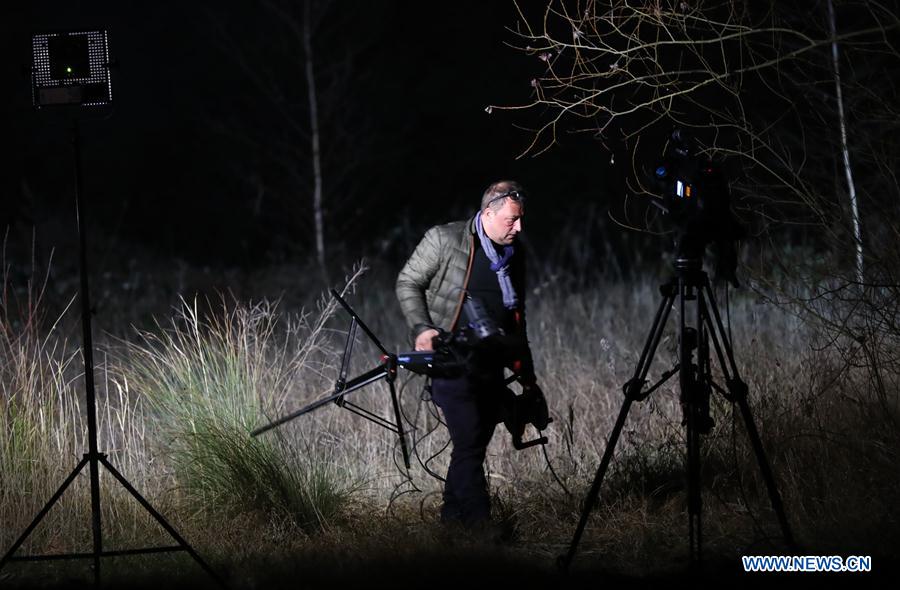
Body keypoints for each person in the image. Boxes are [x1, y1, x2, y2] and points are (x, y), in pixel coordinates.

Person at [395, 180, 543, 528]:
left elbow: (517, 317)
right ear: (488, 213)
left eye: (521, 219)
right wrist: (423, 329)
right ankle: (481, 528)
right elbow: (408, 282)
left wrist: (528, 377)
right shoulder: (444, 240)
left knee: (472, 446)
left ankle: (452, 521)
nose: (519, 227)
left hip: (490, 364)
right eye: (511, 220)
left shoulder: (513, 254)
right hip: (451, 362)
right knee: (469, 438)